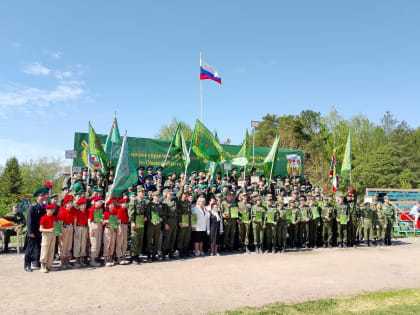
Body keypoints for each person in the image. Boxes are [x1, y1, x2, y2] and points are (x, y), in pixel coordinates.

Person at [24, 186, 49, 272]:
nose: (42, 197)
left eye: (43, 196)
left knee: (38, 247)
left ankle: (37, 262)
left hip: (40, 231)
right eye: (40, 196)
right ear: (37, 197)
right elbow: (29, 221)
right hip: (33, 231)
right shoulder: (32, 207)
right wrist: (30, 232)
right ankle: (27, 265)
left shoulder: (43, 207)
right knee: (30, 248)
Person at [129, 188, 148, 264]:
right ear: (138, 192)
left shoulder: (143, 201)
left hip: (141, 222)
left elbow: (144, 211)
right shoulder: (134, 200)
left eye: (144, 192)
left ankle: (137, 255)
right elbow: (131, 212)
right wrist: (132, 222)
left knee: (140, 238)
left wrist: (145, 217)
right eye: (142, 192)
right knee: (135, 239)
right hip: (135, 222)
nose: (143, 193)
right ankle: (133, 256)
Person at [146, 191, 165, 262]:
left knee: (157, 239)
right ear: (153, 196)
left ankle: (154, 255)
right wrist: (151, 220)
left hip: (158, 224)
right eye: (156, 196)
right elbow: (147, 214)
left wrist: (161, 218)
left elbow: (162, 214)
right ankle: (148, 255)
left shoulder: (160, 204)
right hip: (151, 225)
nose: (157, 197)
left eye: (158, 196)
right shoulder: (150, 204)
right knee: (149, 240)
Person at [57, 195, 75, 269]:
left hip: (70, 227)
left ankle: (67, 262)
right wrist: (59, 233)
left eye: (71, 203)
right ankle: (62, 262)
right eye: (69, 203)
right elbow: (59, 223)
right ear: (65, 204)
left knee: (69, 245)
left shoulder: (71, 210)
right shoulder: (62, 210)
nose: (70, 204)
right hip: (64, 227)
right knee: (63, 245)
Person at [39, 204, 58, 273]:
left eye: (53, 210)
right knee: (45, 249)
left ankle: (50, 265)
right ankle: (43, 265)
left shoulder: (54, 217)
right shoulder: (43, 218)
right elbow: (40, 229)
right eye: (50, 209)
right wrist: (48, 230)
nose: (52, 211)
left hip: (53, 234)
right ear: (47, 210)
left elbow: (57, 227)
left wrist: (57, 232)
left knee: (51, 249)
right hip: (46, 234)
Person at [162, 190, 179, 260]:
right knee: (167, 238)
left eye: (172, 195)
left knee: (173, 237)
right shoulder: (165, 202)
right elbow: (164, 215)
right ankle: (164, 253)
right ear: (167, 195)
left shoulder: (174, 201)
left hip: (174, 221)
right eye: (170, 194)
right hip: (168, 221)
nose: (171, 196)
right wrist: (165, 223)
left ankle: (170, 252)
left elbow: (178, 195)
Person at [88, 196, 104, 267]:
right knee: (94, 244)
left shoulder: (100, 209)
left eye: (101, 201)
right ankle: (92, 260)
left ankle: (96, 258)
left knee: (98, 244)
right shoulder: (92, 209)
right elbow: (89, 220)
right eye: (99, 201)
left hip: (99, 226)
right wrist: (90, 229)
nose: (100, 203)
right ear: (95, 202)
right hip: (94, 226)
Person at [73, 197, 89, 267]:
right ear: (79, 206)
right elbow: (75, 222)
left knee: (83, 243)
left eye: (84, 205)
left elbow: (88, 222)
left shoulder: (87, 212)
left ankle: (82, 259)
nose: (83, 206)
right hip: (78, 228)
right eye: (81, 205)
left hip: (85, 228)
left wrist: (88, 230)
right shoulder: (77, 212)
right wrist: (75, 231)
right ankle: (77, 260)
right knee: (77, 244)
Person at [103, 198, 118, 267]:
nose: (112, 206)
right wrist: (107, 221)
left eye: (112, 205)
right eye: (110, 205)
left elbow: (116, 221)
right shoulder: (105, 213)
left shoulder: (115, 212)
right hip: (108, 229)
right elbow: (102, 222)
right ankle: (106, 258)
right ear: (108, 206)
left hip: (113, 229)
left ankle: (111, 257)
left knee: (112, 243)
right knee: (107, 243)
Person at [116, 198, 130, 264]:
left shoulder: (126, 210)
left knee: (124, 242)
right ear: (121, 204)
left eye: (125, 203)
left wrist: (127, 228)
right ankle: (119, 257)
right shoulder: (120, 210)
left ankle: (123, 256)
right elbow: (119, 221)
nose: (125, 204)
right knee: (120, 242)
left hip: (125, 225)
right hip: (121, 226)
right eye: (123, 203)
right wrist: (120, 229)